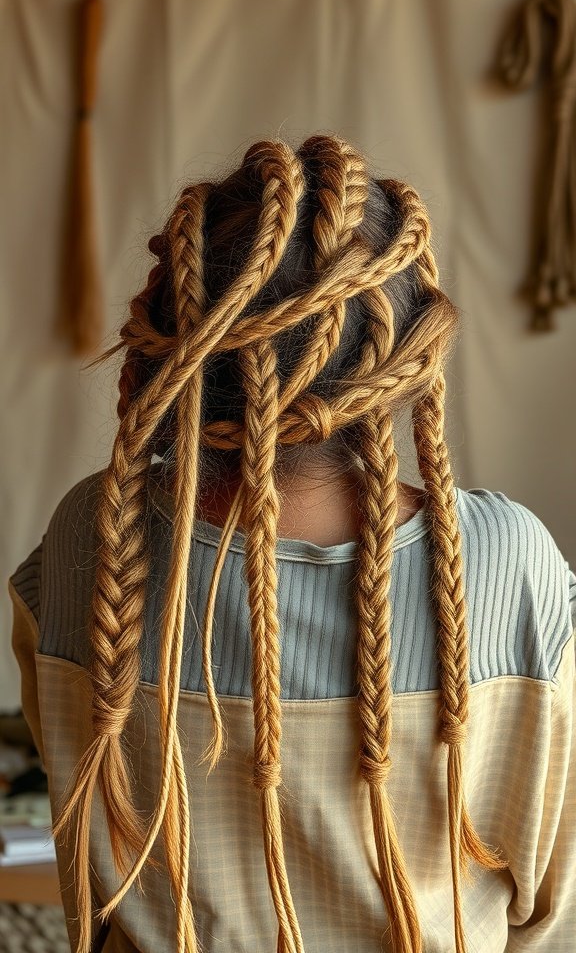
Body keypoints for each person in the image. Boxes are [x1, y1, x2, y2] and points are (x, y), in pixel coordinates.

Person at [9, 135, 576, 953]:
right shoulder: (506, 563)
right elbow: (553, 902)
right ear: (406, 359)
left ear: (176, 343)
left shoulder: (93, 537)